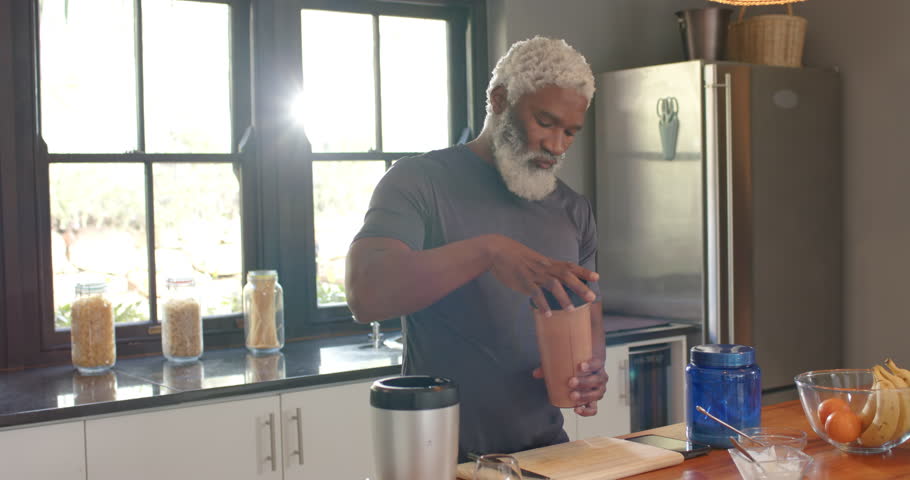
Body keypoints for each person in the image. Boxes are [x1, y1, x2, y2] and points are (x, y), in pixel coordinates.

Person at [346, 36, 607, 460]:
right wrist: (489, 252)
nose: (557, 146)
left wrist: (591, 371)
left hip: (545, 459)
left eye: (570, 133)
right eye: (545, 122)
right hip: (441, 461)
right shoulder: (419, 181)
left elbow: (588, 317)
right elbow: (365, 295)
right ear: (499, 99)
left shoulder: (572, 209)